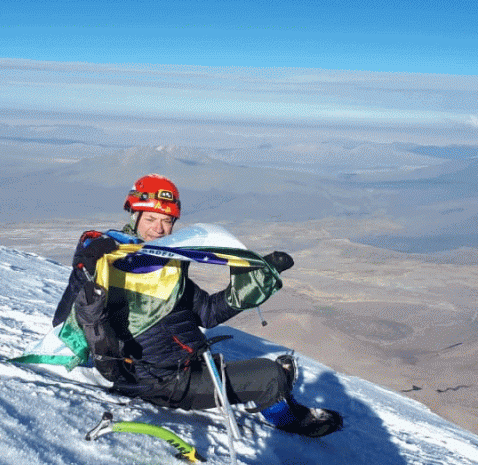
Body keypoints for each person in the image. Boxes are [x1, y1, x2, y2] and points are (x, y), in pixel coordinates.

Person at [52, 174, 342, 437]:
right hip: (159, 381)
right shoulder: (111, 264)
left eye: (166, 221)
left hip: (181, 367)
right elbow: (79, 314)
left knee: (263, 372)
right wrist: (86, 271)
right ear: (135, 215)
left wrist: (256, 280)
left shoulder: (167, 267)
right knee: (270, 375)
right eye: (151, 219)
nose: (159, 229)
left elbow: (207, 312)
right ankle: (289, 420)